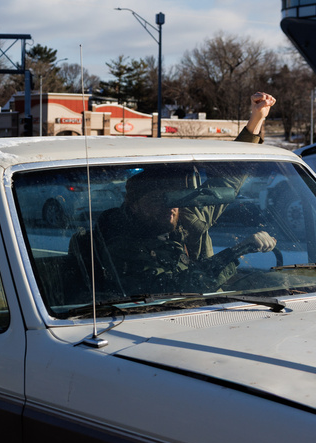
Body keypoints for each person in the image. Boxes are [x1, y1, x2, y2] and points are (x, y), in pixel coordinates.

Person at [70, 92, 278, 297]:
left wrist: (257, 118)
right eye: (157, 200)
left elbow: (229, 177)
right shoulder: (121, 243)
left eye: (174, 199)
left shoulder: (187, 220)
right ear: (133, 205)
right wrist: (236, 251)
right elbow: (177, 286)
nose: (169, 207)